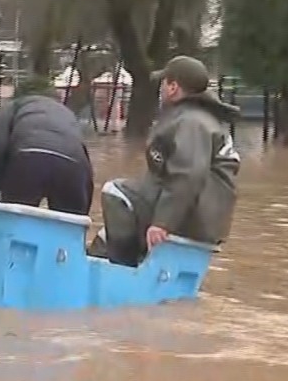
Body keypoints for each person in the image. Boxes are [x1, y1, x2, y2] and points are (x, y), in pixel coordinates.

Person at [94, 55, 240, 266]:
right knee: (106, 236)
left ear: (173, 87)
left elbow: (188, 173)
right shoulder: (200, 118)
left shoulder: (191, 122)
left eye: (164, 82)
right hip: (202, 214)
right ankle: (107, 273)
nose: (161, 88)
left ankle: (124, 274)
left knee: (115, 192)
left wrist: (163, 222)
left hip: (195, 216)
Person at [0, 77, 94, 214]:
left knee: (17, 222)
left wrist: (0, 184)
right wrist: (83, 208)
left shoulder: (14, 106)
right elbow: (84, 160)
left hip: (29, 159)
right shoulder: (66, 112)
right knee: (70, 226)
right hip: (72, 165)